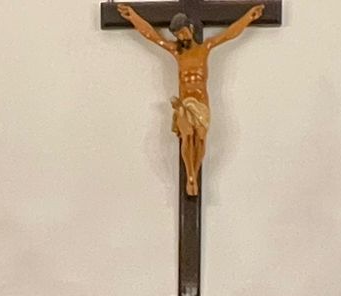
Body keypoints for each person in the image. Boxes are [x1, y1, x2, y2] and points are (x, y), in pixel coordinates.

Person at [111, 3, 266, 197]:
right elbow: (152, 36)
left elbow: (229, 34)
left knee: (200, 138)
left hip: (201, 103)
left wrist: (249, 17)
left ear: (191, 29)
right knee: (187, 135)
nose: (181, 38)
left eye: (183, 33)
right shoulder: (177, 52)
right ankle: (190, 175)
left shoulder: (205, 48)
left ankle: (195, 169)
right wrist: (133, 17)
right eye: (178, 35)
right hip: (185, 102)